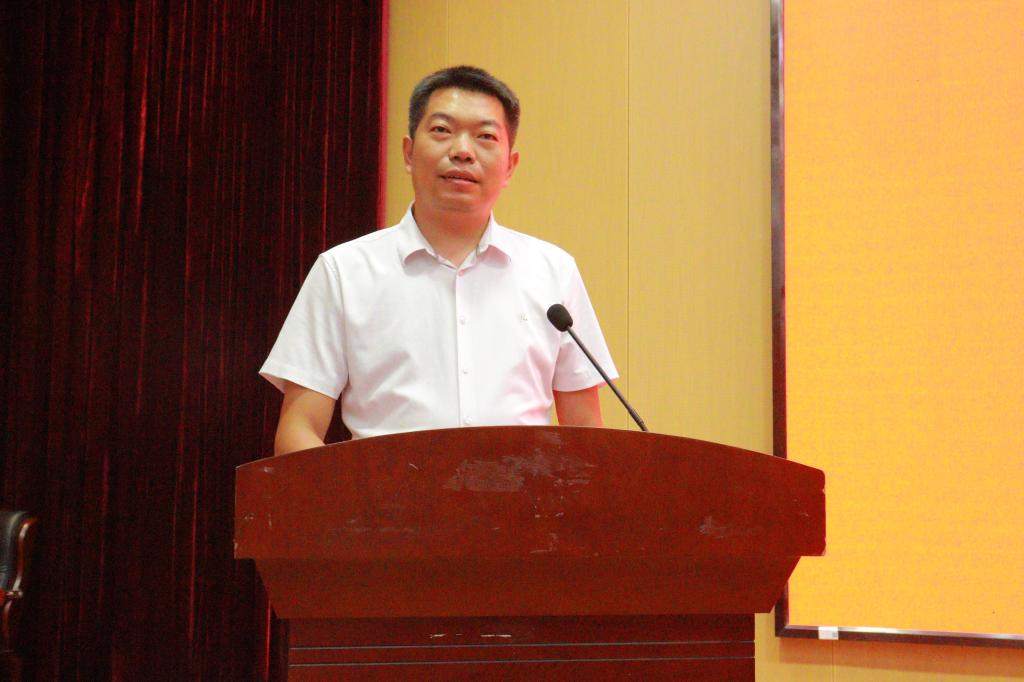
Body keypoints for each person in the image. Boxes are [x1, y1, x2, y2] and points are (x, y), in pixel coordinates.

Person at [260, 66, 617, 454]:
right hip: (384, 493)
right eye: (442, 130)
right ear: (409, 153)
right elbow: (298, 429)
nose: (462, 151)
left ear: (510, 166)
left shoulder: (553, 271)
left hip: (522, 492)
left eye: (485, 136)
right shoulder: (344, 272)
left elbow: (586, 431)